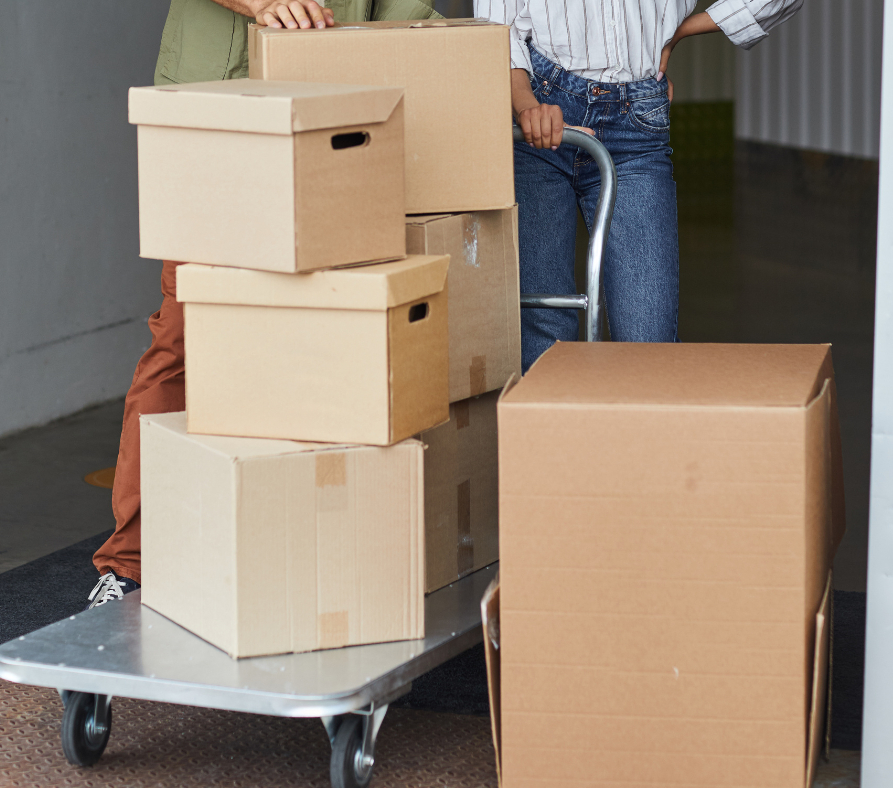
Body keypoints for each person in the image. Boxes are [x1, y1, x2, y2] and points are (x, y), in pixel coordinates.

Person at [87, 0, 441, 608]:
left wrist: (459, 55)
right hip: (217, 116)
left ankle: (294, 557)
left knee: (317, 338)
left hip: (327, 127)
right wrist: (263, 4)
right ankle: (131, 563)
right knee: (186, 336)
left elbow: (404, 13)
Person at [474, 0, 804, 372]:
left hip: (636, 125)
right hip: (540, 118)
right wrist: (526, 106)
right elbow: (497, 25)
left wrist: (682, 29)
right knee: (543, 336)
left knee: (648, 344)